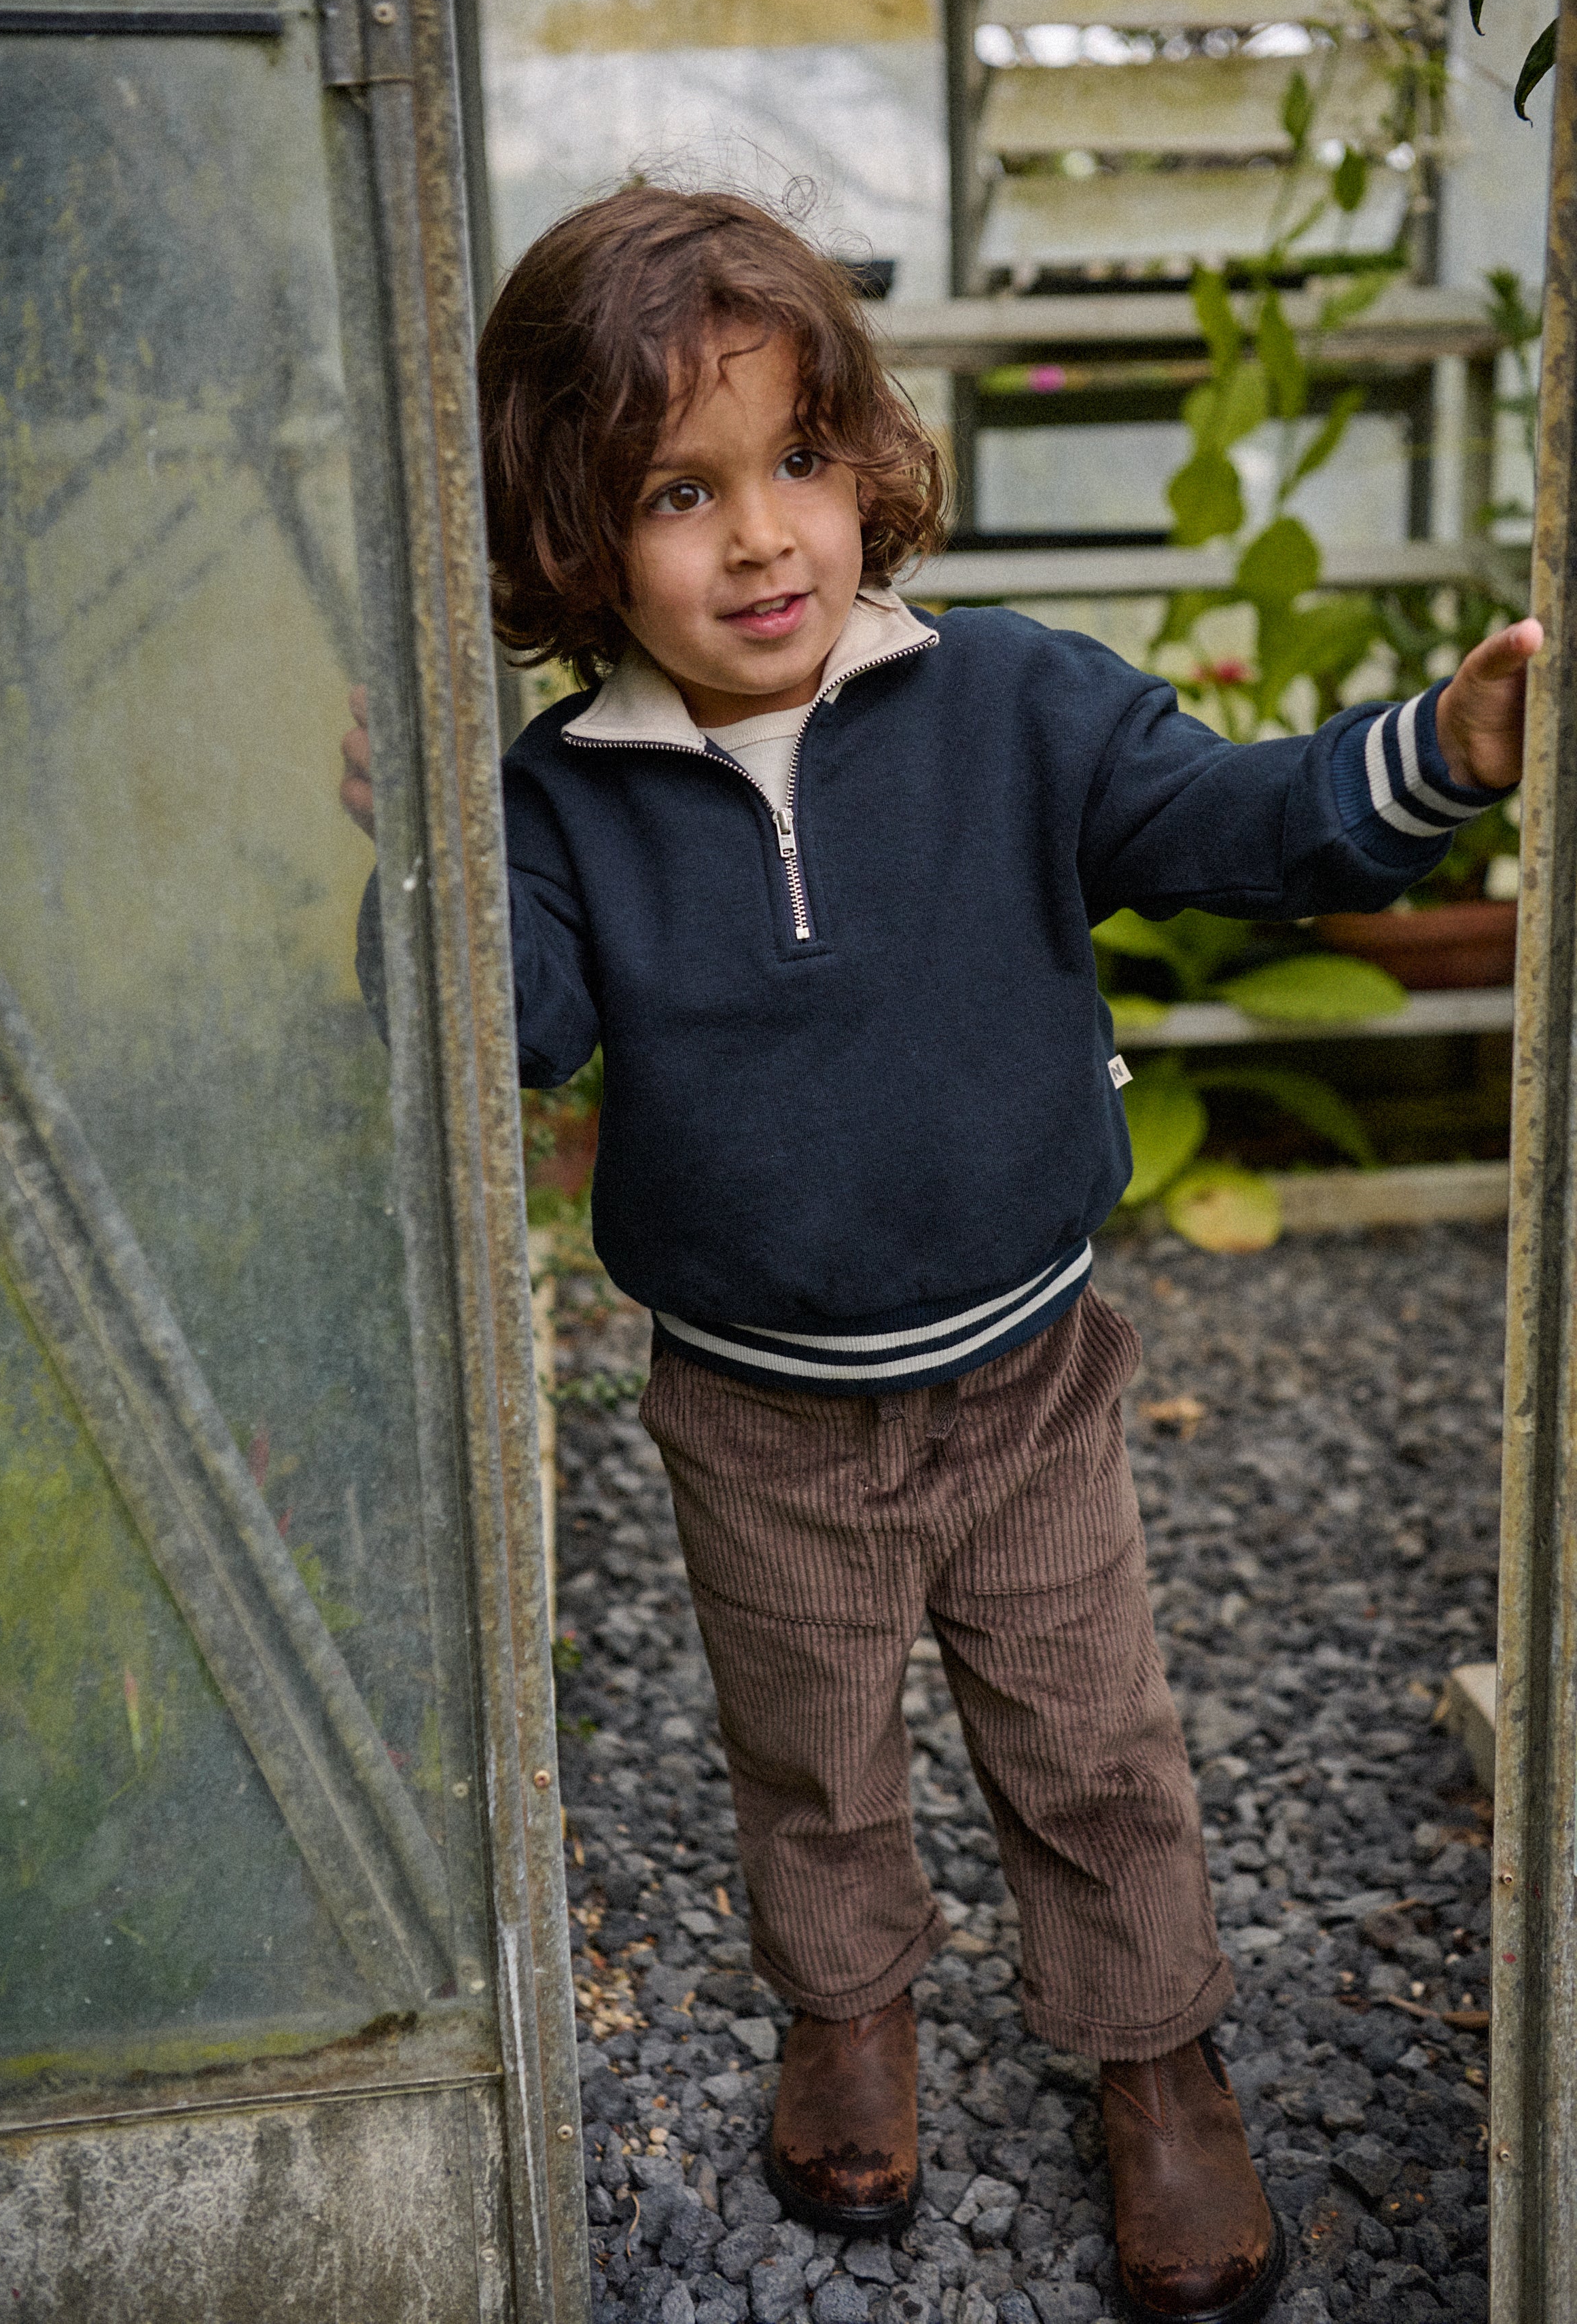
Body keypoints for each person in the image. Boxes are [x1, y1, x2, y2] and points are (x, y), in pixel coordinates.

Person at [340, 185, 1534, 2324]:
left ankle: (1155, 2054)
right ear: (567, 537)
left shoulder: (1009, 706)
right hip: (754, 1408)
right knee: (811, 1753)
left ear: (865, 453)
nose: (765, 536)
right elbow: (492, 1036)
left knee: (1095, 1745)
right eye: (679, 493)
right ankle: (850, 2010)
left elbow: (1241, 819)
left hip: (1029, 1383)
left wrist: (1434, 758)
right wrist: (418, 847)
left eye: (799, 456)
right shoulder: (562, 802)